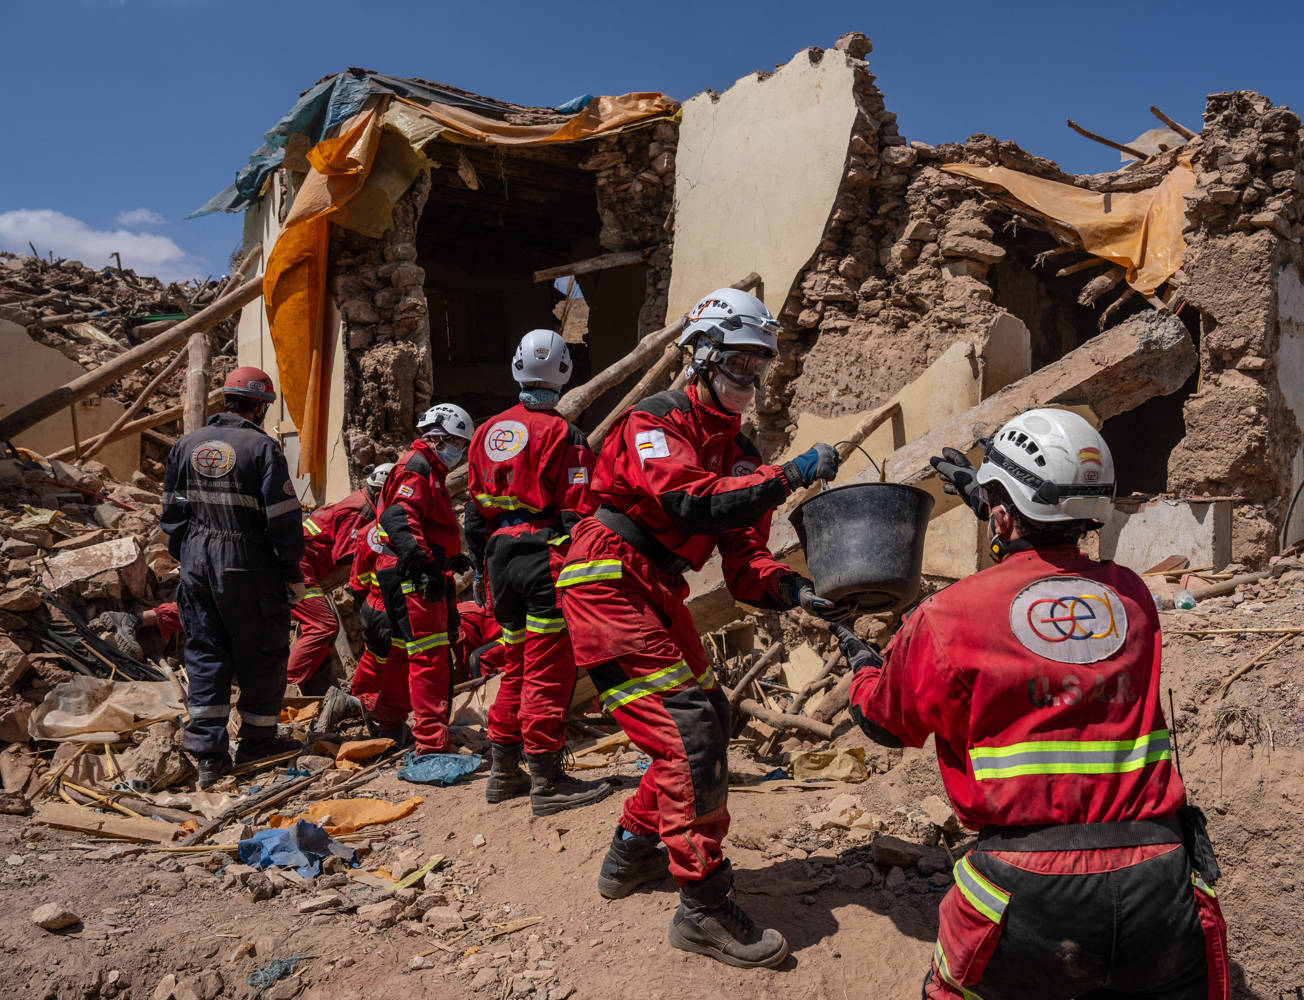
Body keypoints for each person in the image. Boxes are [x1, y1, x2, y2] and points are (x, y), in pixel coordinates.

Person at [836, 408, 1229, 1000]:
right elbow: (1055, 596)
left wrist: (865, 669)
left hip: (1026, 890)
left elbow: (884, 723)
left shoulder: (949, 616)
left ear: (1001, 509)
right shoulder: (1135, 600)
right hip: (1161, 883)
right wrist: (1003, 512)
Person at [557, 288, 842, 969]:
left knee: (710, 714)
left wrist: (800, 590)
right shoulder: (655, 420)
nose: (751, 380)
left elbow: (746, 566)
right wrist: (790, 476)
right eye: (739, 364)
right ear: (703, 355)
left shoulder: (743, 454)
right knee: (689, 734)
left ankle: (631, 853)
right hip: (606, 576)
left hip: (657, 588)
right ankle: (703, 907)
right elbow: (685, 497)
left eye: (758, 367)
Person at [465, 329, 611, 816]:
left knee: (515, 666)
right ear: (565, 375)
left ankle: (503, 773)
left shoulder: (486, 432)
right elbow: (577, 510)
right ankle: (546, 780)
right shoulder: (564, 434)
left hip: (499, 559)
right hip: (543, 558)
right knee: (548, 672)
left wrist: (480, 565)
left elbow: (472, 514)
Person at [161, 366, 305, 788]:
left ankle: (209, 756)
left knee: (205, 652)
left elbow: (172, 513)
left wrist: (188, 554)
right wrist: (290, 568)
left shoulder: (186, 445)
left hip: (196, 558)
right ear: (260, 406)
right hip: (246, 561)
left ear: (227, 400)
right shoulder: (262, 448)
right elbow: (282, 518)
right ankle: (258, 743)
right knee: (261, 649)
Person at [366, 403, 475, 754]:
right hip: (411, 572)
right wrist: (426, 562)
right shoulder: (417, 467)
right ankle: (431, 745)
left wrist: (447, 556)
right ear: (437, 438)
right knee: (429, 655)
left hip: (406, 568)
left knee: (404, 652)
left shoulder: (428, 469)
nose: (458, 451)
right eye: (456, 443)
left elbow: (421, 522)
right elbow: (400, 517)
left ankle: (386, 720)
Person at [287, 463, 391, 690]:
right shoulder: (363, 510)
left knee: (321, 628)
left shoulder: (362, 501)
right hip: (298, 565)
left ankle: (314, 687)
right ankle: (287, 687)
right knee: (322, 625)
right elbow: (345, 555)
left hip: (303, 564)